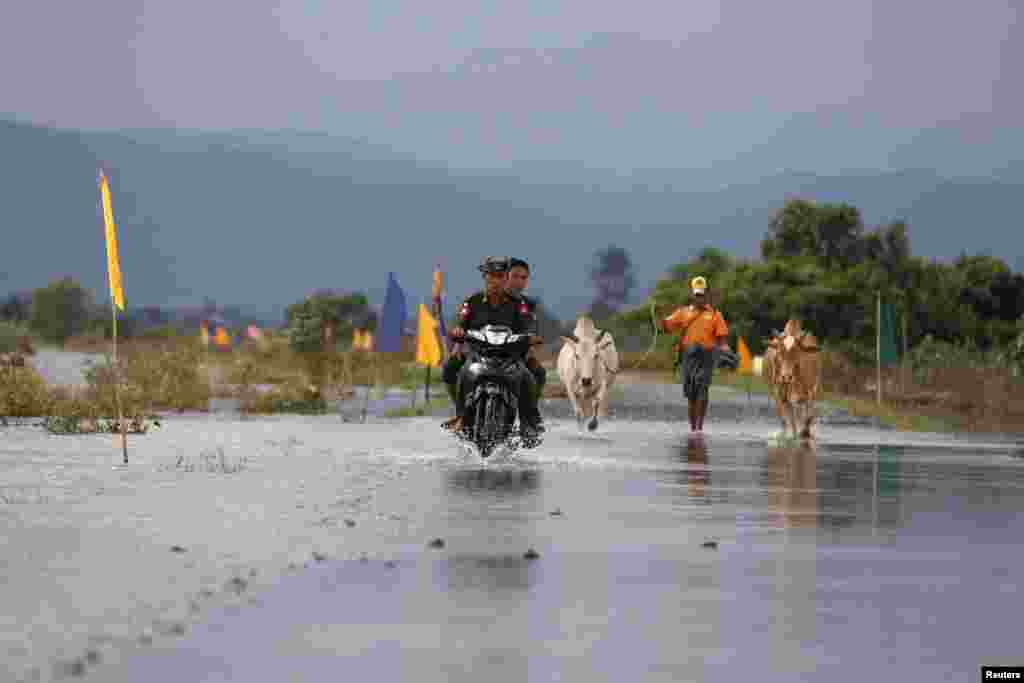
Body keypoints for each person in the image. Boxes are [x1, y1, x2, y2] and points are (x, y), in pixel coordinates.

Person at [441, 257, 544, 437]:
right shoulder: (472, 301)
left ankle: (529, 422)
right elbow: (461, 325)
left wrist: (531, 340)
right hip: (478, 355)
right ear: (485, 278)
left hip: (510, 357)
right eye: (491, 277)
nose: (495, 281)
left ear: (506, 279)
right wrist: (457, 342)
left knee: (533, 375)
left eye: (500, 277)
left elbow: (528, 325)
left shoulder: (518, 304)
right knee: (452, 368)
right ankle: (460, 415)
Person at [659, 276, 731, 433]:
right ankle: (692, 429)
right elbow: (666, 327)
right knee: (691, 395)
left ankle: (699, 428)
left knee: (703, 390)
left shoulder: (715, 314)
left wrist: (725, 349)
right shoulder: (682, 312)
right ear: (692, 294)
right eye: (696, 294)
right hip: (688, 356)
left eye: (702, 294)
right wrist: (660, 318)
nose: (699, 297)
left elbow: (722, 338)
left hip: (706, 356)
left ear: (706, 295)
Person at [506, 258, 547, 397]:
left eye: (523, 278)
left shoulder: (529, 304)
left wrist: (533, 346)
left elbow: (533, 328)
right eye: (515, 276)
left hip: (517, 356)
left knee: (539, 373)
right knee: (454, 367)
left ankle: (529, 414)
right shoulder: (486, 298)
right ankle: (462, 412)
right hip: (486, 352)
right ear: (504, 276)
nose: (519, 281)